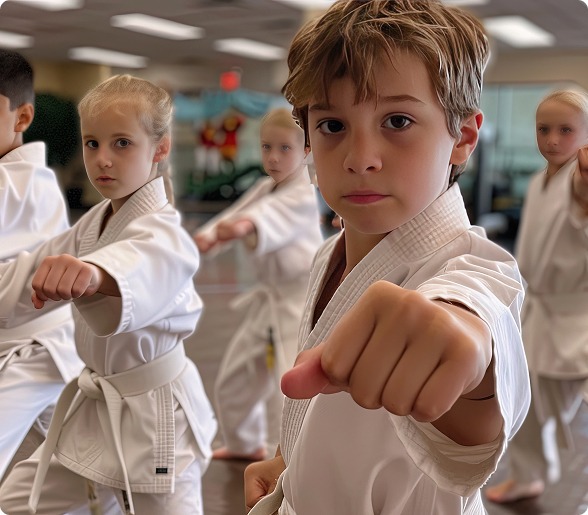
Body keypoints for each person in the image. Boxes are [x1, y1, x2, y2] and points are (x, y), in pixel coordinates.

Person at [244, 1, 530, 514]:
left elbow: (470, 329)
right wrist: (289, 460)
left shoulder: (474, 269)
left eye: (397, 120)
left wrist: (463, 346)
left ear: (463, 137)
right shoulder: (330, 253)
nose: (360, 158)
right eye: (332, 125)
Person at [0, 74, 217, 515]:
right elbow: (29, 274)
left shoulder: (165, 231)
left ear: (159, 148)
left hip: (158, 421)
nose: (102, 159)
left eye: (122, 143)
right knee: (22, 501)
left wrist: (95, 274)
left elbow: (141, 263)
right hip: (95, 409)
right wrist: (73, 270)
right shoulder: (94, 221)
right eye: (92, 143)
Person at [194, 107, 323, 461]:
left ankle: (299, 458)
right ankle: (244, 443)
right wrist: (206, 239)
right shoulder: (266, 187)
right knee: (235, 378)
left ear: (307, 151)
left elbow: (259, 219)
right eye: (267, 147)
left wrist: (243, 228)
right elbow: (235, 215)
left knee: (291, 384)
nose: (273, 157)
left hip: (298, 305)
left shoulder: (301, 194)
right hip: (269, 302)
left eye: (285, 148)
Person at [485, 89, 588, 504]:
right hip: (539, 310)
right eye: (544, 129)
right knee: (525, 406)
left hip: (580, 310)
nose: (552, 139)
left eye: (567, 130)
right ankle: (530, 476)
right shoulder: (536, 182)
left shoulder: (579, 179)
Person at [0, 49, 84, 482]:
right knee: (60, 475)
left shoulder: (25, 181)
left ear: (22, 117)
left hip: (35, 351)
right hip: (30, 348)